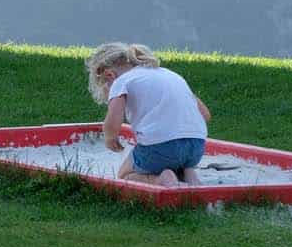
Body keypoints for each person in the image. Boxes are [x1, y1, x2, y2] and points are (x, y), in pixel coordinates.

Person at [84, 42, 211, 187]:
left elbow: (113, 119)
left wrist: (110, 137)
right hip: (196, 148)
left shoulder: (121, 81)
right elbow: (205, 115)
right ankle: (188, 174)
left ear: (109, 75)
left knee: (124, 174)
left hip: (161, 148)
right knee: (174, 158)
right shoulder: (169, 74)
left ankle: (160, 180)